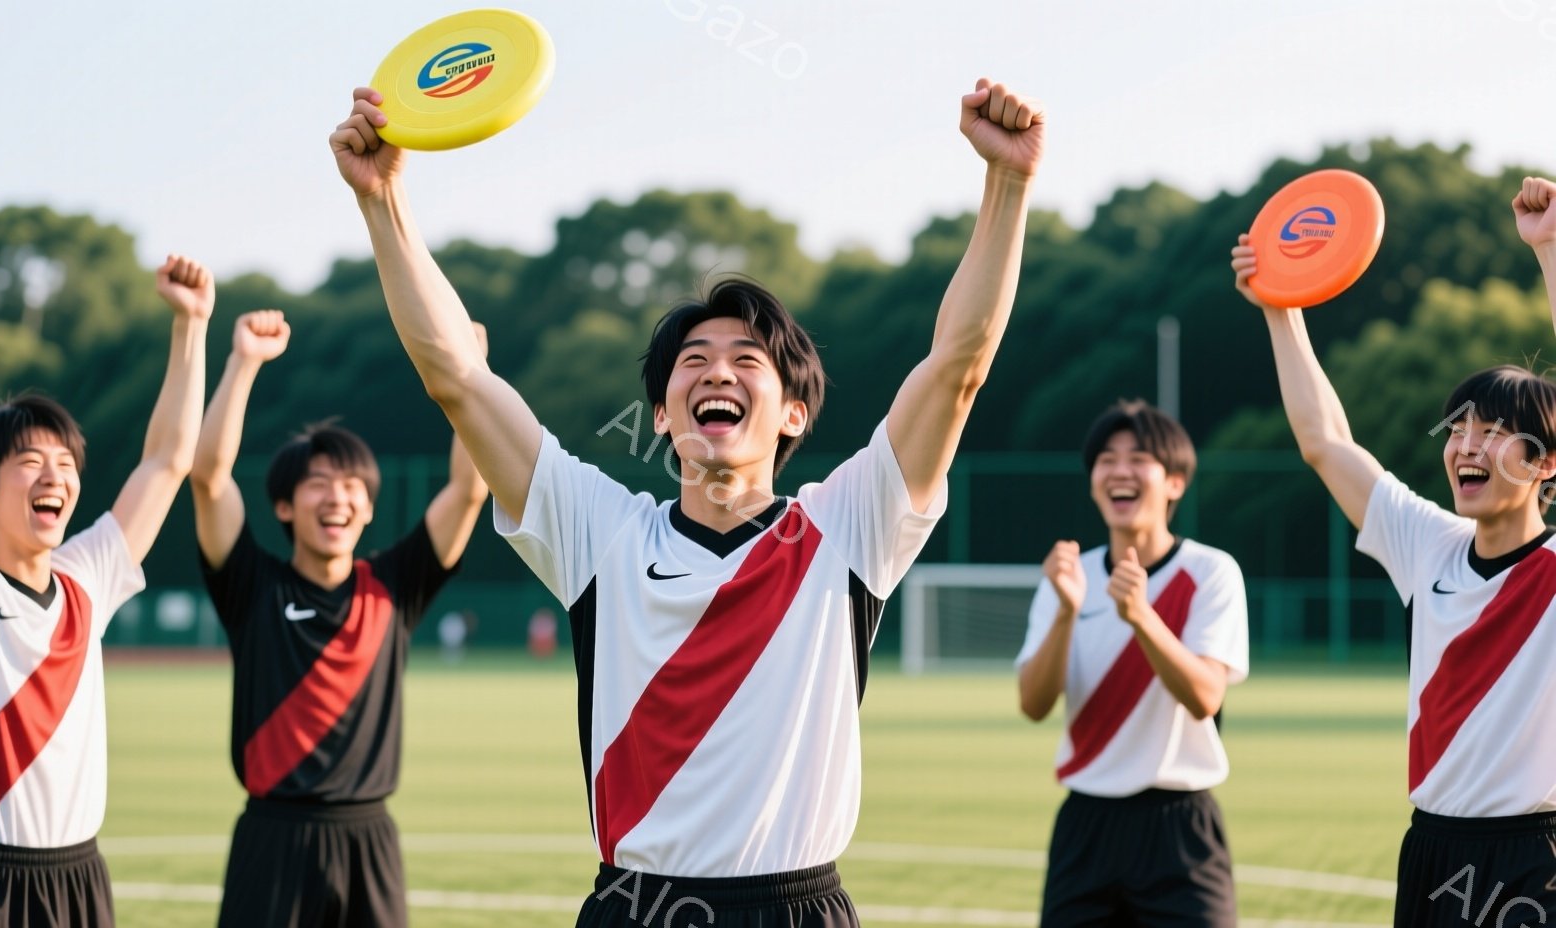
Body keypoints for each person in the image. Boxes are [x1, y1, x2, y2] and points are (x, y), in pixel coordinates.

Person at [330, 77, 1045, 926]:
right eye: (693, 360)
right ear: (662, 414)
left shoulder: (847, 527)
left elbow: (958, 368)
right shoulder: (600, 533)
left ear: (794, 413)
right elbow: (459, 378)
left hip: (796, 907)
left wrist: (1007, 186)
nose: (717, 371)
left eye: (749, 359)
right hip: (635, 906)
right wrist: (385, 201)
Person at [1230, 175, 1556, 927]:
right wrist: (1281, 305)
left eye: (1495, 430)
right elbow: (1325, 442)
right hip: (1432, 854)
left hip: (1532, 862)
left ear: (1545, 463)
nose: (1467, 445)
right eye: (1461, 427)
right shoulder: (1429, 547)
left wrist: (1546, 251)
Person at [0, 218, 210, 927]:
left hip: (80, 879)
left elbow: (167, 462)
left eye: (66, 464)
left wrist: (191, 329)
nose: (55, 476)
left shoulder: (86, 578)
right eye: (31, 462)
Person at [189, 308, 488, 926]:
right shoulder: (253, 586)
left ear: (370, 508)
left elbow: (469, 488)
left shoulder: (396, 586)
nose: (337, 497)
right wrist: (243, 362)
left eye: (353, 485)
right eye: (318, 483)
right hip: (271, 838)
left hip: (369, 839)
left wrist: (473, 376)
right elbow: (209, 477)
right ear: (284, 505)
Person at [1015, 400, 1247, 926]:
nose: (1120, 470)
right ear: (1093, 480)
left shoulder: (1210, 572)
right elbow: (1032, 704)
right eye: (1106, 459)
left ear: (1175, 482)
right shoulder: (1068, 575)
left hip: (1179, 827)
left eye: (1139, 457)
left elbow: (1205, 696)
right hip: (1087, 825)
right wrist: (1066, 613)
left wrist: (1141, 615)